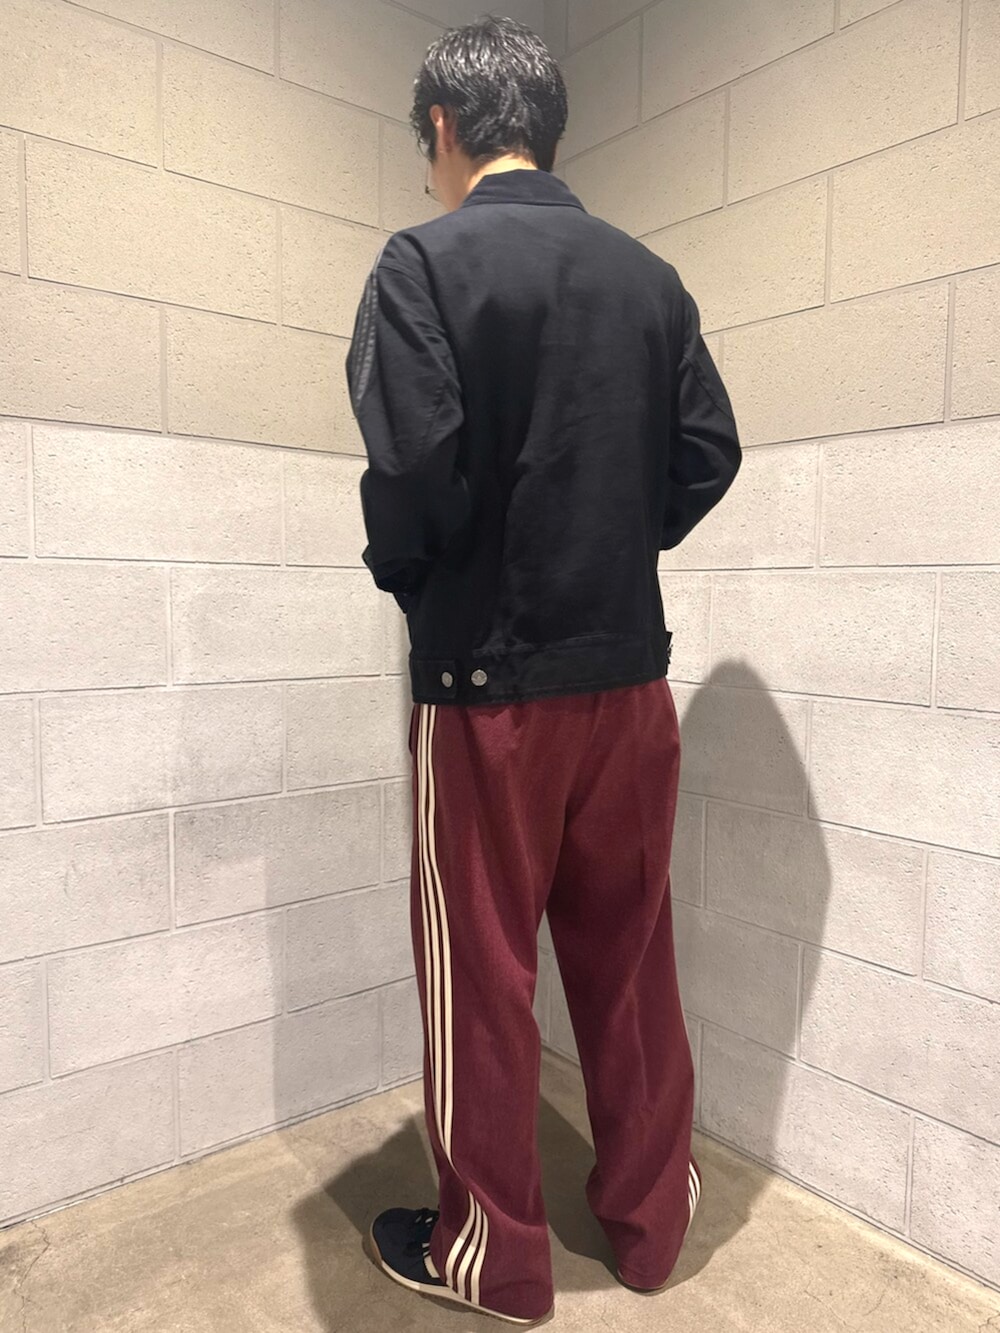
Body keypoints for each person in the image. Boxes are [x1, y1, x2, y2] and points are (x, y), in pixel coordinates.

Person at [346, 15, 742, 1326]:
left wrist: (418, 581)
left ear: (444, 127)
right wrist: (611, 543)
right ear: (549, 132)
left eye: (425, 144)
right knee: (630, 959)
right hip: (627, 681)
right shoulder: (652, 279)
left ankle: (497, 1260)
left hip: (487, 689)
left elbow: (412, 466)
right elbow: (707, 453)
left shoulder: (422, 263)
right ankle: (651, 1226)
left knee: (484, 977)